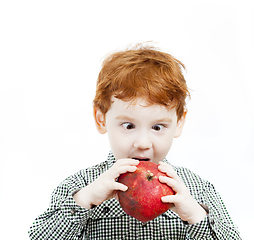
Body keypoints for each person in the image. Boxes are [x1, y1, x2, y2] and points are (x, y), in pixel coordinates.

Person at [29, 44, 241, 239]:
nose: (142, 143)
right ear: (100, 119)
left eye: (158, 127)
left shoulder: (197, 190)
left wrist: (195, 215)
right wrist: (85, 200)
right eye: (128, 126)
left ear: (179, 123)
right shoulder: (80, 186)